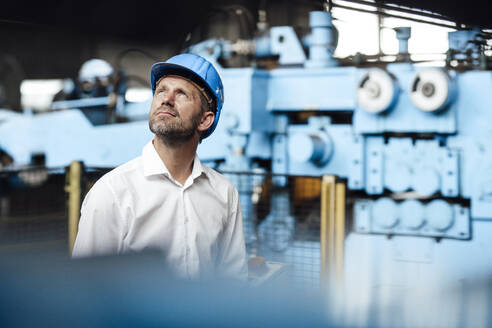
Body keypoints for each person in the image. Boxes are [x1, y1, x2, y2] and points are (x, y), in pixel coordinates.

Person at [72, 54, 248, 281]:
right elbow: (86, 284)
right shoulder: (112, 192)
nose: (166, 99)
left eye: (182, 94)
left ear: (205, 120)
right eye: (161, 91)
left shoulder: (224, 193)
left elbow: (233, 281)